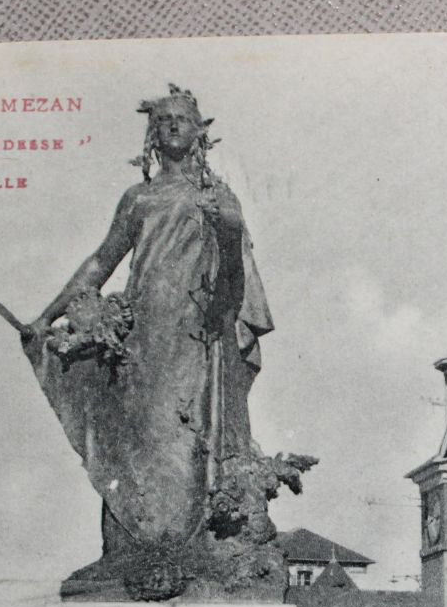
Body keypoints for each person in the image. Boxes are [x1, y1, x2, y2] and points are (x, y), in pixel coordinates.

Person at [23, 85, 276, 554]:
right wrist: (46, 316)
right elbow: (102, 262)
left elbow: (236, 281)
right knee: (134, 431)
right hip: (143, 335)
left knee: (193, 433)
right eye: (164, 119)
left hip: (196, 337)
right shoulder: (138, 198)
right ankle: (126, 548)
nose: (173, 124)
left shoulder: (218, 198)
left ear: (200, 132)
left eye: (182, 117)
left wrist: (231, 227)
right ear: (152, 135)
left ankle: (197, 543)